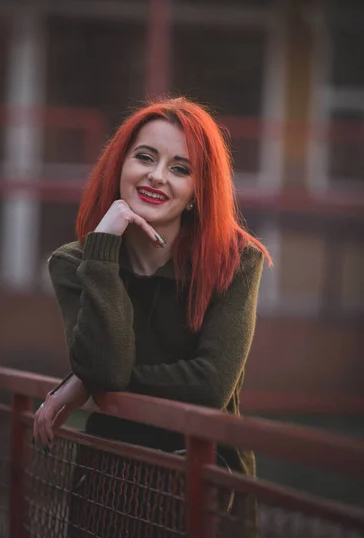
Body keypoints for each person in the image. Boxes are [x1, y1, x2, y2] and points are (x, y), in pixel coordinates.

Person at [33, 96, 271, 537]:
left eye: (181, 168)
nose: (157, 176)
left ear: (199, 190)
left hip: (207, 492)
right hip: (111, 489)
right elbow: (106, 363)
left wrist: (87, 383)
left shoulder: (235, 262)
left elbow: (208, 388)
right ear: (120, 164)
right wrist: (104, 249)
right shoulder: (75, 262)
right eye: (145, 157)